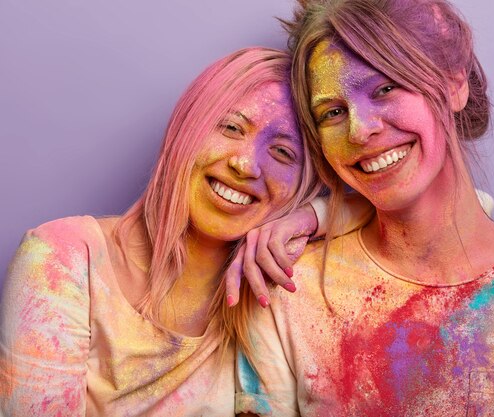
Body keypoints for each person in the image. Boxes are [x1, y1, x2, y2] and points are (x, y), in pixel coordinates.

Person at [234, 1, 494, 416]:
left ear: (454, 83)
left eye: (384, 88)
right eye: (332, 112)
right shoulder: (289, 292)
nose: (360, 130)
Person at [0, 47, 325, 416]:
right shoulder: (64, 258)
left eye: (283, 153)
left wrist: (313, 215)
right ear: (188, 127)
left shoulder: (274, 293)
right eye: (231, 127)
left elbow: (393, 210)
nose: (246, 165)